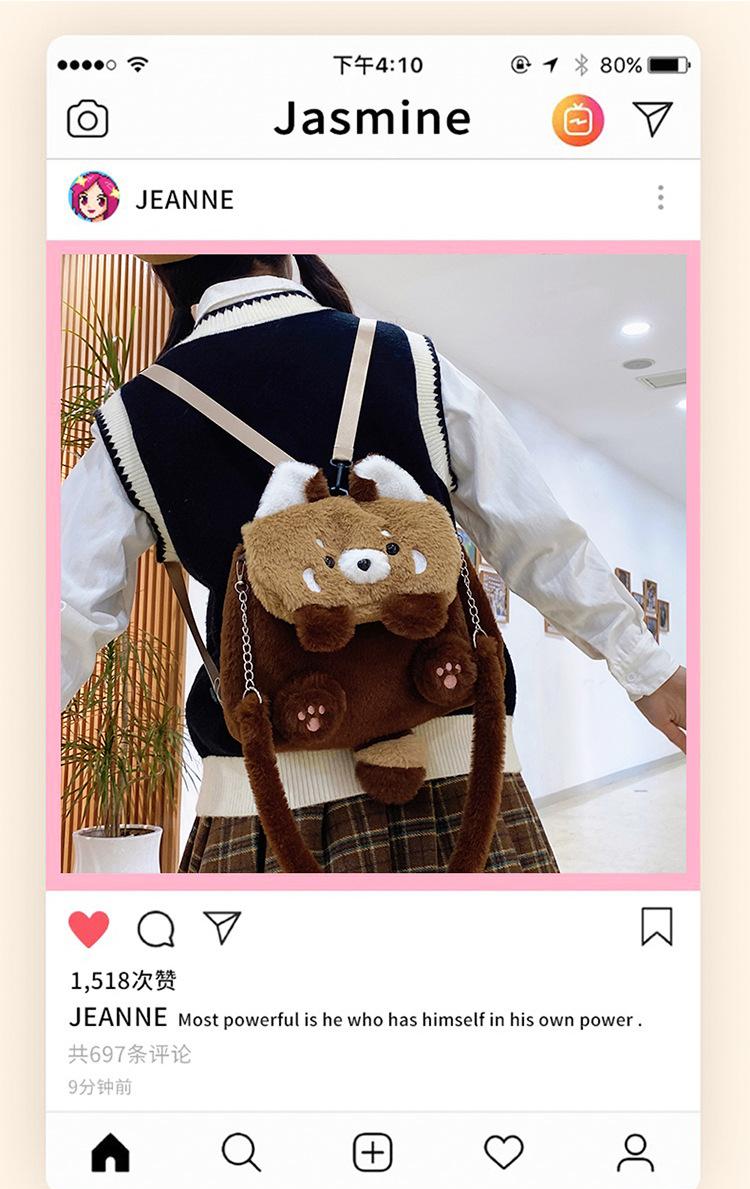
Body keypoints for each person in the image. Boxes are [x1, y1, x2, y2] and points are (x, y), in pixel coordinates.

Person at [61, 253, 686, 874]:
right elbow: (535, 536)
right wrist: (646, 668)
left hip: (267, 797)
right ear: (282, 251)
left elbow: (62, 610)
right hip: (461, 772)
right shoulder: (409, 360)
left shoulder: (134, 418)